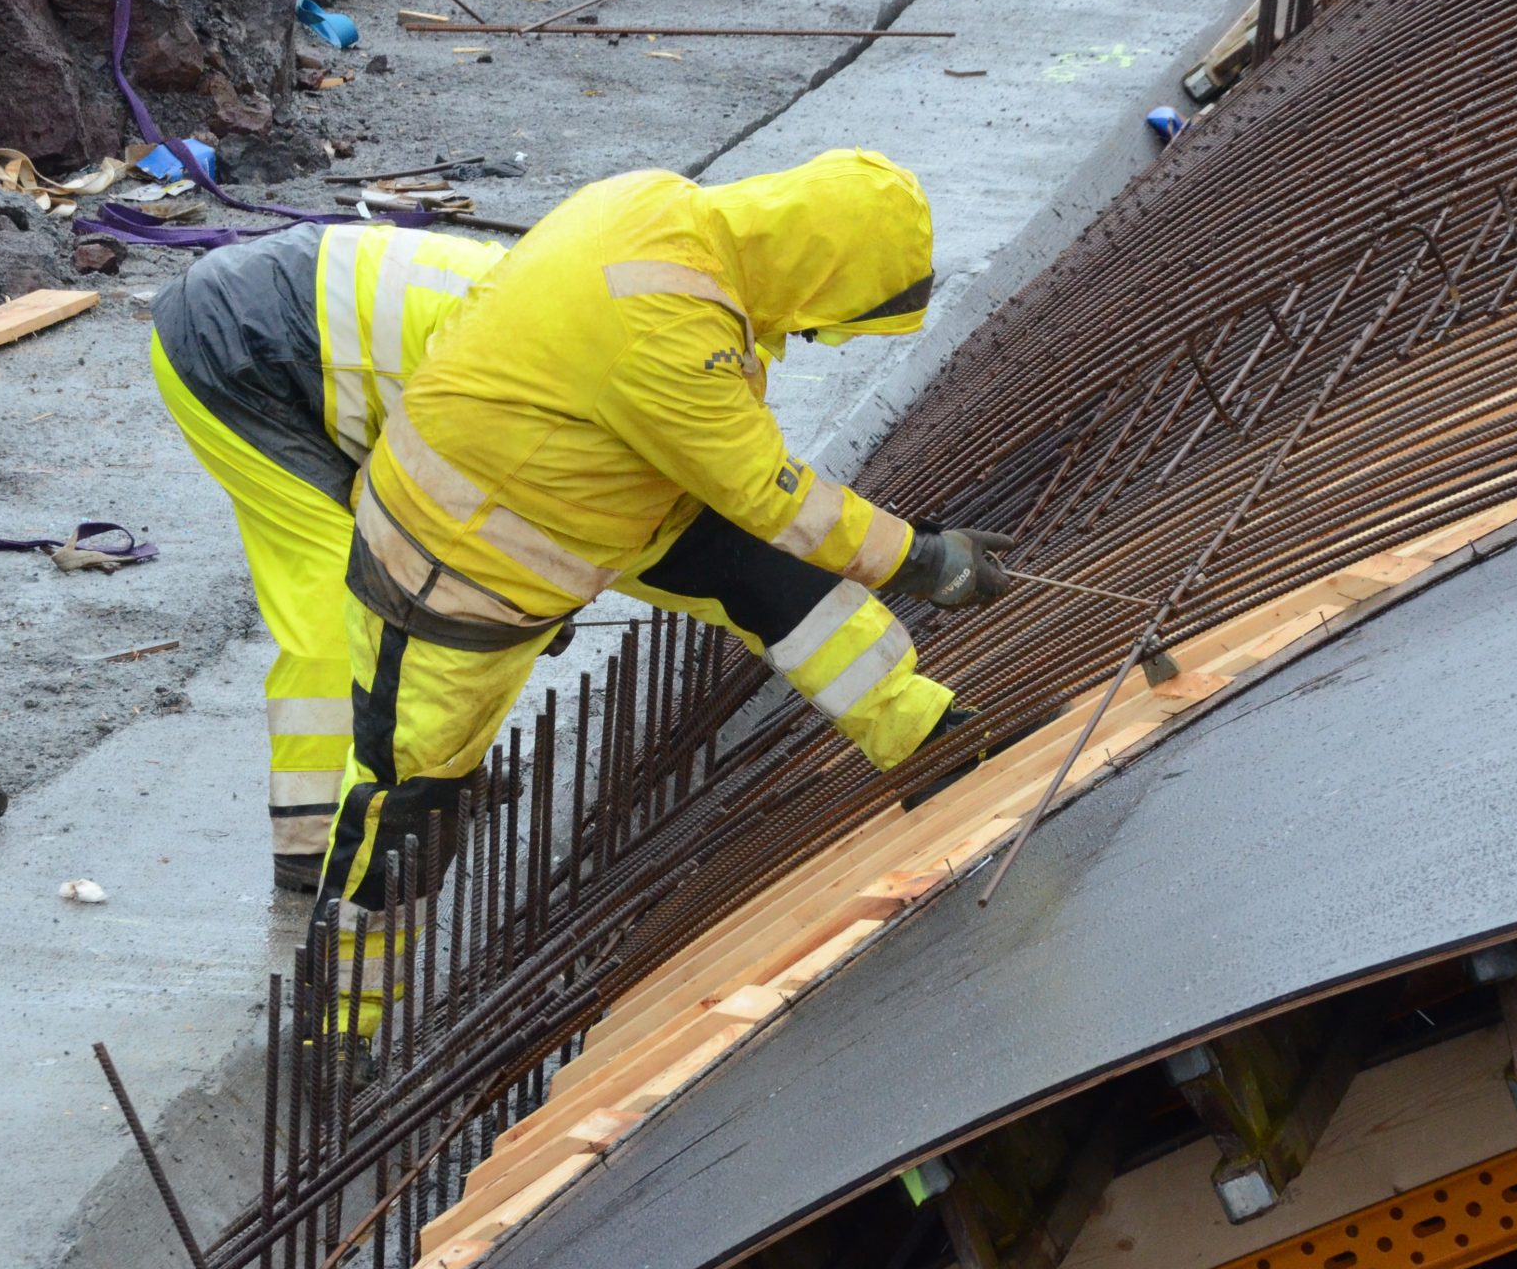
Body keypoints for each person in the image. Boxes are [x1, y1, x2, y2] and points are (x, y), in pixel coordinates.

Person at [320, 149, 1022, 913]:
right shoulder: (668, 330)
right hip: (454, 556)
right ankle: (350, 1016)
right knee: (413, 807)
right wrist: (923, 560)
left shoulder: (658, 210)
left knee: (778, 578)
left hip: (592, 481)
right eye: (831, 320)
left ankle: (925, 734)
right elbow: (772, 494)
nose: (817, 338)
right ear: (817, 269)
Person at [147, 219, 509, 904]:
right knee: (333, 596)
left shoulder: (550, 318)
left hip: (287, 338)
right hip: (236, 350)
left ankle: (407, 774)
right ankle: (311, 837)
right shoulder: (513, 367)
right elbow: (413, 495)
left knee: (414, 581)